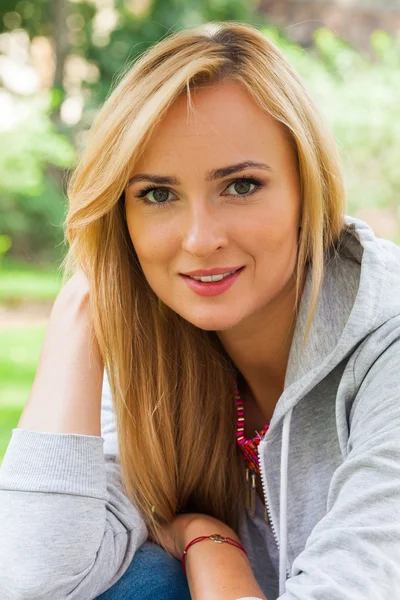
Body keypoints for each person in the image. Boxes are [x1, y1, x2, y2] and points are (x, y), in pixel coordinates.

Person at [1, 20, 400, 600]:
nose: (199, 239)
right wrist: (83, 306)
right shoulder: (155, 345)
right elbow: (35, 579)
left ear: (305, 189)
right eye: (157, 195)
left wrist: (210, 547)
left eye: (240, 186)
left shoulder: (385, 343)